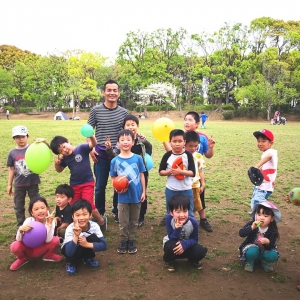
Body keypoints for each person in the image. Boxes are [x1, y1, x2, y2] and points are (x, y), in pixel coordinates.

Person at [164, 111, 215, 232]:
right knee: (178, 199)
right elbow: (171, 152)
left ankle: (203, 219)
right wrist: (163, 140)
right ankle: (173, 216)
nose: (187, 122)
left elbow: (208, 155)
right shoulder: (181, 136)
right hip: (181, 178)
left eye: (190, 120)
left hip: (196, 175)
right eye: (185, 119)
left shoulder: (202, 137)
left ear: (197, 123)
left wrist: (211, 147)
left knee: (199, 200)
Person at [87, 79, 128, 218]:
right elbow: (88, 131)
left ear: (118, 93)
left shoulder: (124, 112)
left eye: (114, 90)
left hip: (118, 154)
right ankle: (100, 213)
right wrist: (90, 149)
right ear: (104, 92)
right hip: (100, 154)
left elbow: (128, 132)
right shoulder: (95, 110)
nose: (112, 93)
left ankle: (118, 212)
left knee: (120, 185)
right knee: (99, 187)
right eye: (109, 90)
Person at [49, 135, 106, 232]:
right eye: (61, 151)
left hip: (87, 183)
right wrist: (57, 164)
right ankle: (79, 226)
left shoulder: (82, 148)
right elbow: (59, 170)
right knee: (74, 206)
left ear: (68, 141)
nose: (65, 150)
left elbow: (94, 144)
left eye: (64, 146)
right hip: (74, 185)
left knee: (89, 206)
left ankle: (101, 221)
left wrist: (91, 136)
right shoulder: (65, 158)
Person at [106, 114, 152, 226]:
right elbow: (113, 156)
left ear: (138, 126)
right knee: (120, 191)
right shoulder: (121, 142)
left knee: (141, 192)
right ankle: (118, 213)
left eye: (133, 124)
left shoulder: (141, 140)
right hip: (123, 173)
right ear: (124, 127)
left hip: (140, 171)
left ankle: (140, 216)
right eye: (128, 125)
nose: (131, 127)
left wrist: (145, 146)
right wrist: (108, 149)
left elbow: (149, 149)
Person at [110, 130, 146, 254]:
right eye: (122, 140)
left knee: (134, 220)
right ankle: (123, 239)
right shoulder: (115, 160)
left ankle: (131, 239)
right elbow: (113, 177)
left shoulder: (137, 158)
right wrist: (115, 187)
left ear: (133, 142)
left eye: (128, 140)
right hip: (122, 195)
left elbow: (142, 175)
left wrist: (143, 192)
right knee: (123, 220)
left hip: (136, 193)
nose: (125, 142)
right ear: (118, 143)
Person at [9, 196, 63, 271]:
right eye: (36, 209)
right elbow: (18, 239)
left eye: (42, 208)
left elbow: (48, 240)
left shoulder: (50, 221)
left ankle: (48, 255)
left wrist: (49, 225)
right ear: (32, 212)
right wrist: (20, 230)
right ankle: (22, 258)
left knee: (55, 240)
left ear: (47, 209)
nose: (40, 211)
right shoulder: (29, 221)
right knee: (15, 245)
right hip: (29, 249)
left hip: (41, 248)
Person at [7, 125, 40, 228]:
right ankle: (20, 226)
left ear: (27, 136)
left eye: (23, 136)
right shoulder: (12, 153)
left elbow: (45, 150)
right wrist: (9, 185)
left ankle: (36, 224)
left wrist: (42, 141)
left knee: (36, 204)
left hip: (33, 182)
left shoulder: (33, 148)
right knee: (18, 206)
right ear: (14, 139)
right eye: (17, 137)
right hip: (19, 184)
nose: (20, 139)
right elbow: (11, 169)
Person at [163, 194, 207, 272]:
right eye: (178, 212)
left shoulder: (193, 222)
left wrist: (184, 244)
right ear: (171, 212)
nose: (182, 215)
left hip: (186, 246)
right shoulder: (168, 219)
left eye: (185, 211)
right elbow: (171, 238)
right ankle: (170, 261)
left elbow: (194, 239)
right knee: (169, 246)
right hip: (173, 245)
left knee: (200, 251)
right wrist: (177, 229)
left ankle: (192, 260)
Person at [61, 199, 107, 275]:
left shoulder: (94, 226)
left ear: (90, 215)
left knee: (93, 238)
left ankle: (88, 258)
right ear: (73, 216)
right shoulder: (70, 228)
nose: (81, 218)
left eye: (84, 214)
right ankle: (70, 263)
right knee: (73, 243)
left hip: (84, 245)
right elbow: (69, 252)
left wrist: (87, 244)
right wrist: (76, 236)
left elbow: (104, 245)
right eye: (77, 215)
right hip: (70, 249)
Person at [159, 129, 196, 222]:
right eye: (174, 141)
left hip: (186, 189)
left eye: (180, 141)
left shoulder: (188, 155)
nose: (177, 144)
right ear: (170, 142)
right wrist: (169, 172)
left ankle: (189, 231)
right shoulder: (167, 155)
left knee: (189, 212)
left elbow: (192, 173)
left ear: (184, 142)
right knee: (171, 212)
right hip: (171, 189)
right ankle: (172, 232)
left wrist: (181, 172)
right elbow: (161, 172)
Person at [239, 201, 281, 273]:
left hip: (264, 252)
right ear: (255, 215)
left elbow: (271, 246)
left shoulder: (272, 230)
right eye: (259, 214)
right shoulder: (253, 224)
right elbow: (241, 233)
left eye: (265, 216)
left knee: (273, 255)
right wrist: (251, 228)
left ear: (272, 218)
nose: (262, 218)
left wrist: (268, 242)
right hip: (251, 251)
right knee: (253, 250)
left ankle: (264, 261)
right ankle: (249, 261)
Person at [250, 129, 277, 209]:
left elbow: (269, 156)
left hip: (265, 188)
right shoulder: (265, 153)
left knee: (257, 206)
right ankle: (259, 219)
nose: (260, 143)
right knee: (254, 205)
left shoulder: (272, 152)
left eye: (263, 141)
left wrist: (257, 166)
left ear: (271, 143)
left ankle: (267, 216)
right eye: (258, 141)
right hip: (260, 186)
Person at [184, 131, 206, 220]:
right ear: (184, 143)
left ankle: (191, 221)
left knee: (194, 206)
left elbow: (201, 171)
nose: (193, 148)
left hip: (195, 185)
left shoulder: (199, 156)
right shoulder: (181, 155)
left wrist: (203, 184)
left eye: (195, 146)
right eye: (190, 146)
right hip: (184, 186)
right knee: (184, 205)